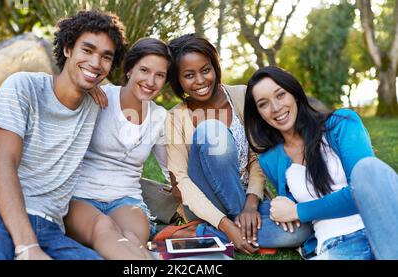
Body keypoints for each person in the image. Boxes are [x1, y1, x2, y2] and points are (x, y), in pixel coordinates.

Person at [0, 10, 127, 260]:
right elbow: (3, 165)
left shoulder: (96, 102)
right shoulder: (23, 87)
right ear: (67, 49)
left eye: (105, 57)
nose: (96, 63)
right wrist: (28, 246)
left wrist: (98, 86)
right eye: (87, 50)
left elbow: (138, 96)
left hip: (48, 223)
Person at [163, 34, 311, 255]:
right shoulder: (175, 118)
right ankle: (227, 227)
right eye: (189, 75)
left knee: (302, 229)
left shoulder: (241, 95)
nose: (201, 81)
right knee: (211, 131)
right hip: (207, 205)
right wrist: (225, 223)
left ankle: (201, 234)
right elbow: (182, 182)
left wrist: (251, 205)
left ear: (215, 66)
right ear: (178, 79)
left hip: (248, 198)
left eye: (206, 70)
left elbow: (258, 155)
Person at [244, 66, 398, 260]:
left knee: (368, 169)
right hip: (338, 246)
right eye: (263, 104)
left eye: (280, 95)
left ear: (294, 93)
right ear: (258, 113)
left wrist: (298, 211)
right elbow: (291, 218)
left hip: (385, 232)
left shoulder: (342, 124)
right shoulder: (270, 160)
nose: (275, 108)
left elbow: (362, 191)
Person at [64, 38, 171, 260]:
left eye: (159, 75)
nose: (150, 81)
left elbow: (171, 171)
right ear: (130, 69)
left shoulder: (159, 117)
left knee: (133, 237)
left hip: (126, 200)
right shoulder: (99, 96)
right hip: (80, 196)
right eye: (144, 70)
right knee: (103, 228)